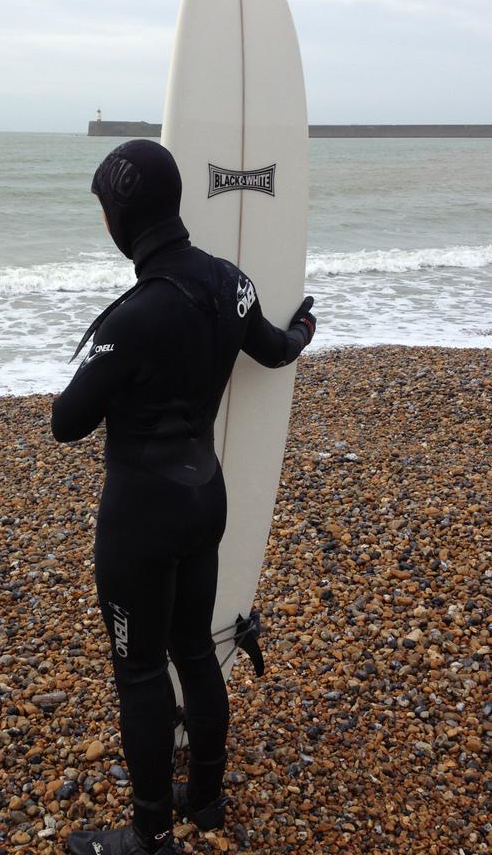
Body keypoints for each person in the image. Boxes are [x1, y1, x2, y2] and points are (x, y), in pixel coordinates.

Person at [51, 140, 315, 855]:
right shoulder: (231, 281)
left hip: (141, 518)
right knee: (194, 650)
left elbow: (65, 423)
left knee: (139, 672)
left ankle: (148, 834)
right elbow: (273, 348)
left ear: (117, 220)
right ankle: (205, 800)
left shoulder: (130, 319)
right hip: (206, 500)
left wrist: (102, 359)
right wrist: (302, 329)